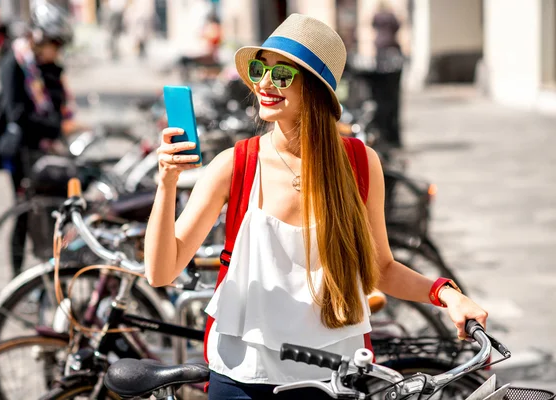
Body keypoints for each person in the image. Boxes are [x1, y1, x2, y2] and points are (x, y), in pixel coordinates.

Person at [144, 14, 488, 399]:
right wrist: (167, 182)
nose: (264, 84)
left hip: (332, 377)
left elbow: (380, 268)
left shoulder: (359, 163)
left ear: (316, 89)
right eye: (260, 70)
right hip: (242, 375)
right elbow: (161, 272)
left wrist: (447, 294)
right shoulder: (235, 165)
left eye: (283, 75)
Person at [0, 0, 76, 273]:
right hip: (21, 152)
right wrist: (55, 129)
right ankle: (15, 276)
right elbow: (17, 114)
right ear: (41, 37)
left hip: (43, 150)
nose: (59, 51)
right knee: (23, 213)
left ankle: (49, 268)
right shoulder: (15, 64)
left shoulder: (43, 65)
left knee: (48, 212)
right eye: (57, 44)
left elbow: (56, 100)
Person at [371, 0, 403, 149]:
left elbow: (371, 25)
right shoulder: (391, 17)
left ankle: (386, 133)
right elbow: (398, 26)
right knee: (392, 98)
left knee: (383, 95)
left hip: (381, 51)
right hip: (391, 50)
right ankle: (392, 135)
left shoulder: (377, 17)